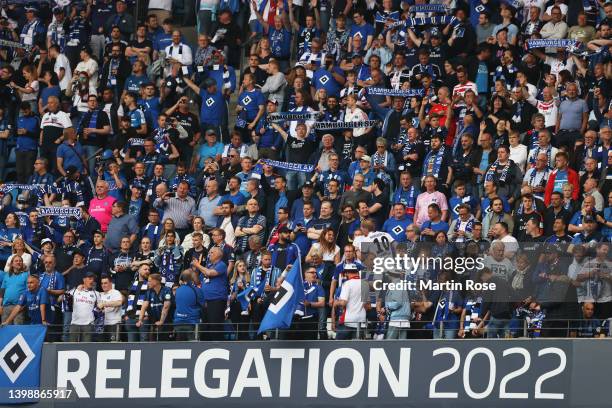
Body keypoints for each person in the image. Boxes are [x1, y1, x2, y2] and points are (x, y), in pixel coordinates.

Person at [68, 272, 100, 342]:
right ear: (84, 280)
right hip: (74, 324)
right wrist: (75, 288)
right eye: (90, 279)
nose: (92, 281)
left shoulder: (97, 294)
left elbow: (100, 307)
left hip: (88, 325)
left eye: (93, 279)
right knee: (71, 348)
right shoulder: (75, 291)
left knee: (87, 347)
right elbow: (62, 298)